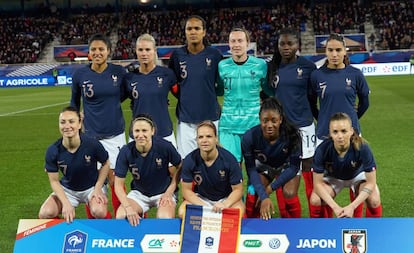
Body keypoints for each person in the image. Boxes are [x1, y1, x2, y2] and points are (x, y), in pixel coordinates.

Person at [310, 33, 370, 217]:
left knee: (356, 180)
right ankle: (329, 223)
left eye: (338, 50)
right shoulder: (317, 75)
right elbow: (312, 103)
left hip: (351, 135)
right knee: (322, 189)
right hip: (324, 137)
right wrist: (323, 122)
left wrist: (352, 122)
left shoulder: (355, 74)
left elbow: (365, 102)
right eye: (330, 50)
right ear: (325, 51)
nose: (334, 54)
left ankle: (356, 221)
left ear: (345, 51)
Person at [70, 33, 127, 216]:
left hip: (115, 134)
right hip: (91, 137)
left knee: (115, 179)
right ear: (89, 52)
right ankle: (99, 223)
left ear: (108, 51)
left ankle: (122, 219)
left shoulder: (119, 72)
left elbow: (126, 94)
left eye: (101, 49)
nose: (97, 52)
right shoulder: (80, 75)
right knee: (93, 181)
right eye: (93, 49)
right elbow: (74, 103)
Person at [265, 28, 318, 218]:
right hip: (282, 131)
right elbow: (266, 96)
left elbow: (314, 97)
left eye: (290, 43)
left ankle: (317, 220)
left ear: (297, 45)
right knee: (284, 180)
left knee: (310, 175)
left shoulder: (308, 67)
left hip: (304, 127)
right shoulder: (272, 68)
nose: (286, 47)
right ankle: (288, 220)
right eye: (282, 44)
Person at [38, 106, 110, 223]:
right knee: (45, 213)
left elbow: (106, 163)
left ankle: (109, 229)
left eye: (71, 122)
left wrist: (98, 188)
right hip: (68, 189)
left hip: (91, 187)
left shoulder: (92, 144)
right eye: (63, 122)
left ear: (79, 124)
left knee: (99, 211)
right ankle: (60, 232)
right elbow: (54, 181)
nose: (67, 126)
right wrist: (66, 203)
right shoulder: (53, 150)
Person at [168, 15, 223, 158]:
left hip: (211, 117)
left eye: (197, 28)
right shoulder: (177, 55)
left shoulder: (214, 55)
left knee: (212, 161)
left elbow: (221, 84)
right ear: (185, 32)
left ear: (204, 32)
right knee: (188, 162)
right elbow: (172, 82)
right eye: (189, 29)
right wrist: (183, 96)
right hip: (186, 119)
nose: (193, 32)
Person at [309, 112, 382, 218]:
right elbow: (317, 185)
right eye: (335, 132)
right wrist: (336, 208)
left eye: (344, 131)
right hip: (333, 178)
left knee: (374, 200)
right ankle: (319, 229)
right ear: (330, 133)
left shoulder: (363, 147)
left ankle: (375, 230)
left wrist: (352, 207)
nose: (340, 136)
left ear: (351, 131)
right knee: (315, 199)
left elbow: (371, 183)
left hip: (357, 176)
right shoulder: (322, 150)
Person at [114, 114, 182, 226]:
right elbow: (118, 185)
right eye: (137, 131)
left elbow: (180, 166)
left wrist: (170, 191)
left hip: (163, 192)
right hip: (139, 193)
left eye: (144, 130)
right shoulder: (126, 151)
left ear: (152, 131)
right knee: (122, 216)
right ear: (132, 132)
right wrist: (128, 207)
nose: (140, 135)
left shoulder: (165, 146)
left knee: (164, 219)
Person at [242, 97, 302, 220]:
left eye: (274, 120)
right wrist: (264, 196)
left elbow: (294, 168)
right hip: (264, 167)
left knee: (289, 193)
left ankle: (295, 224)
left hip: (287, 167)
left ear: (280, 120)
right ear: (260, 119)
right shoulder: (250, 137)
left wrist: (270, 189)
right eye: (265, 121)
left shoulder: (292, 135)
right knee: (253, 193)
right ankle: (252, 226)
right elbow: (251, 170)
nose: (269, 125)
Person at [217, 27, 270, 163]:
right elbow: (219, 90)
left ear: (248, 43)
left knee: (256, 170)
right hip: (228, 127)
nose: (236, 45)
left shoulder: (260, 65)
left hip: (253, 125)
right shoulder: (222, 66)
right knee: (232, 170)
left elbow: (267, 89)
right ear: (228, 44)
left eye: (240, 41)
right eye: (233, 41)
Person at [178, 120, 245, 218]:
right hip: (202, 199)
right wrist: (204, 206)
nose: (204, 140)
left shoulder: (229, 159)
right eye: (200, 137)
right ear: (196, 140)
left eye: (209, 136)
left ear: (216, 139)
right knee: (182, 212)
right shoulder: (190, 160)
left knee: (238, 212)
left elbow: (238, 190)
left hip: (225, 198)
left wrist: (225, 204)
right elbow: (186, 191)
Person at [125, 33, 177, 147]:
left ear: (154, 51)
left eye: (148, 49)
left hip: (164, 132)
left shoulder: (167, 74)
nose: (144, 53)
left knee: (172, 165)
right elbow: (114, 100)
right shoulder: (129, 78)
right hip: (138, 134)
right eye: (140, 50)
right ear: (136, 51)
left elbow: (181, 95)